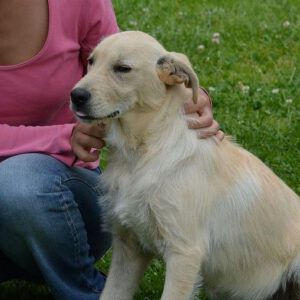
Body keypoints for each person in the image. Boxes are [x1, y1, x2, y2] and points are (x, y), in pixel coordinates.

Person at [0, 0, 222, 299]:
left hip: (57, 200)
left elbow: (128, 68)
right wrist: (63, 136)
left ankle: (86, 290)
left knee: (16, 183)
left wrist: (191, 96)